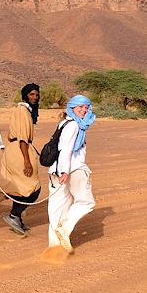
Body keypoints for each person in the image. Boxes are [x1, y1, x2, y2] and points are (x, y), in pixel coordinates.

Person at [47, 95, 97, 253]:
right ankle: (65, 228)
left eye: (86, 107)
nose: (84, 110)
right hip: (72, 169)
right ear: (72, 108)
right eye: (80, 107)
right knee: (86, 202)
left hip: (56, 171)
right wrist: (64, 171)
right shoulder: (75, 125)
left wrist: (61, 171)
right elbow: (67, 149)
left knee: (57, 208)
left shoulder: (64, 123)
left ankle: (55, 248)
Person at [0, 83, 42, 235]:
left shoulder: (25, 110)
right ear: (25, 96)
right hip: (20, 150)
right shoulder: (23, 110)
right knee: (34, 188)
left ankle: (16, 218)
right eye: (31, 94)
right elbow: (23, 137)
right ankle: (14, 215)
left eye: (36, 94)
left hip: (17, 149)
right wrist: (27, 161)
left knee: (21, 187)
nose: (35, 97)